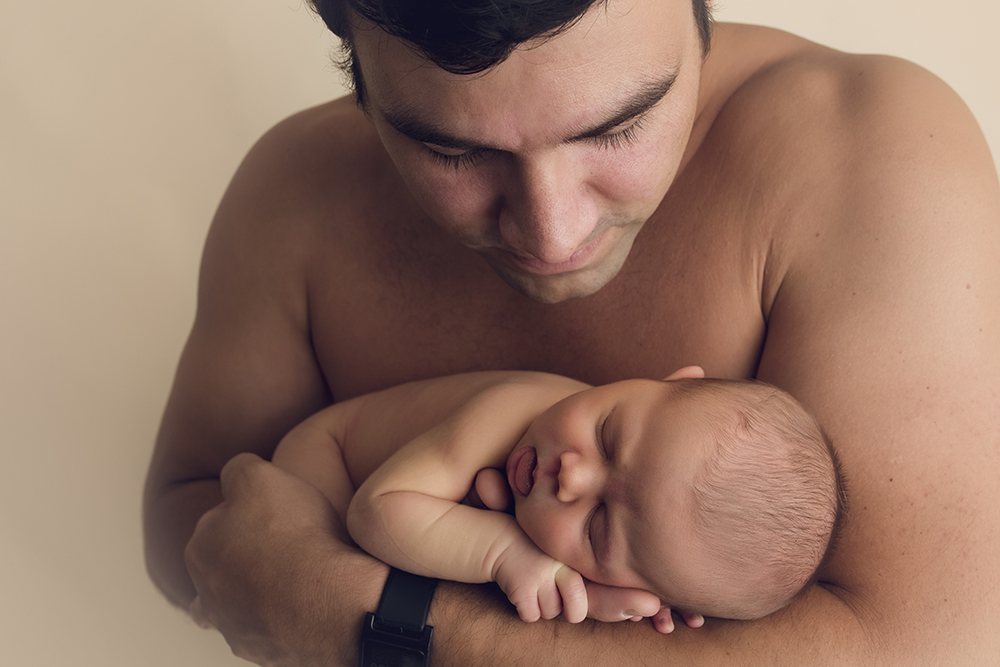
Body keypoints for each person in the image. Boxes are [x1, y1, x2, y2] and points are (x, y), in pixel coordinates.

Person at [142, 0, 1000, 664]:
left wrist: (353, 617)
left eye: (619, 125)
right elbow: (196, 527)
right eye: (454, 152)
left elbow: (930, 649)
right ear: (356, 67)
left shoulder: (866, 150)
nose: (552, 236)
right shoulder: (293, 195)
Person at [265, 367, 844, 633]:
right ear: (672, 378)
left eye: (596, 530)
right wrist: (503, 553)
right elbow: (376, 510)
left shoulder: (587, 476)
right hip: (327, 464)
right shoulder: (515, 409)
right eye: (608, 435)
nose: (570, 477)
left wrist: (596, 596)